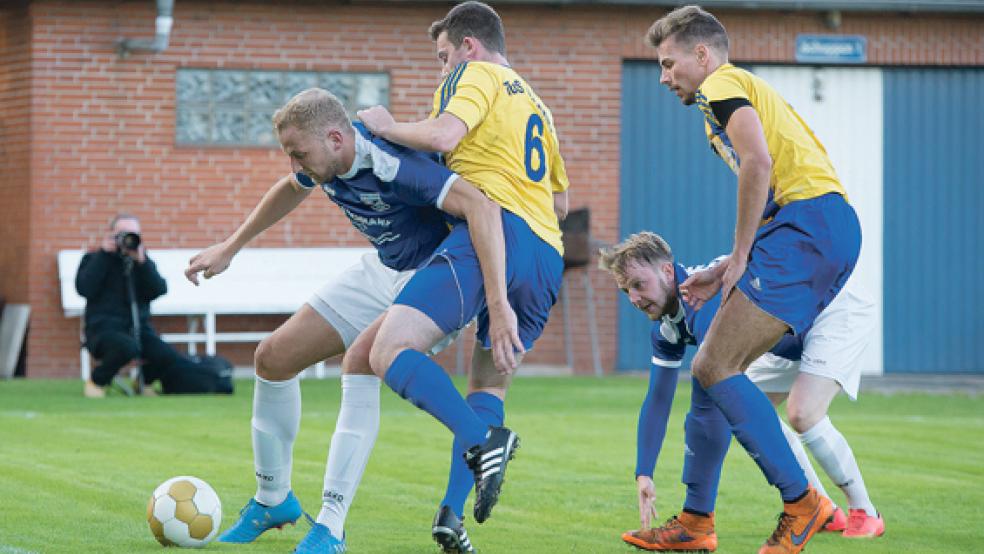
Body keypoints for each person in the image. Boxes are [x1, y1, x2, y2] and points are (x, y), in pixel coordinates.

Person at [184, 87, 509, 553]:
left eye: (300, 154)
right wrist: (230, 247)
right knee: (272, 358)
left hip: (431, 277)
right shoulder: (325, 159)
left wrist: (496, 302)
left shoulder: (393, 163)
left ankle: (331, 528)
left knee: (359, 362)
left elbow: (478, 205)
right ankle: (273, 499)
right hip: (383, 268)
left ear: (336, 138)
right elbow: (289, 189)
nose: (296, 166)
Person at [644, 6, 863, 553]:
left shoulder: (722, 84)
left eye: (670, 64)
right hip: (808, 226)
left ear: (702, 53)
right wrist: (725, 267)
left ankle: (804, 503)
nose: (664, 76)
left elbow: (758, 164)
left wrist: (740, 255)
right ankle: (697, 523)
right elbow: (766, 188)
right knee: (710, 367)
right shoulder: (715, 105)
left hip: (810, 223)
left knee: (715, 363)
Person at [356, 2, 569, 551]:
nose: (442, 69)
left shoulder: (476, 75)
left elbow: (447, 135)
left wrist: (387, 127)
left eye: (443, 56)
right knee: (489, 382)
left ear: (469, 47)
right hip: (546, 253)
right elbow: (562, 201)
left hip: (493, 233)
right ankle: (452, 515)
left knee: (388, 349)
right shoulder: (536, 102)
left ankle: (482, 441)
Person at [598, 233, 883, 553]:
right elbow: (658, 400)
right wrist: (644, 473)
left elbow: (707, 395)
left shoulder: (703, 303)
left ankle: (864, 512)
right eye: (626, 291)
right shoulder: (668, 326)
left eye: (638, 284)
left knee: (802, 412)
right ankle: (823, 510)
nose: (633, 298)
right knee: (742, 407)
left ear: (667, 272)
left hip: (834, 309)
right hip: (786, 335)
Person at [76, 213, 181, 398]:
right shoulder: (94, 258)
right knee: (127, 347)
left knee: (166, 354)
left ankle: (143, 382)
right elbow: (84, 288)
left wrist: (142, 263)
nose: (127, 238)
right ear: (111, 234)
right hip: (103, 329)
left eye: (133, 234)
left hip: (139, 328)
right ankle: (97, 381)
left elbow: (159, 289)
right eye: (123, 233)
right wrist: (103, 255)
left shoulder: (140, 262)